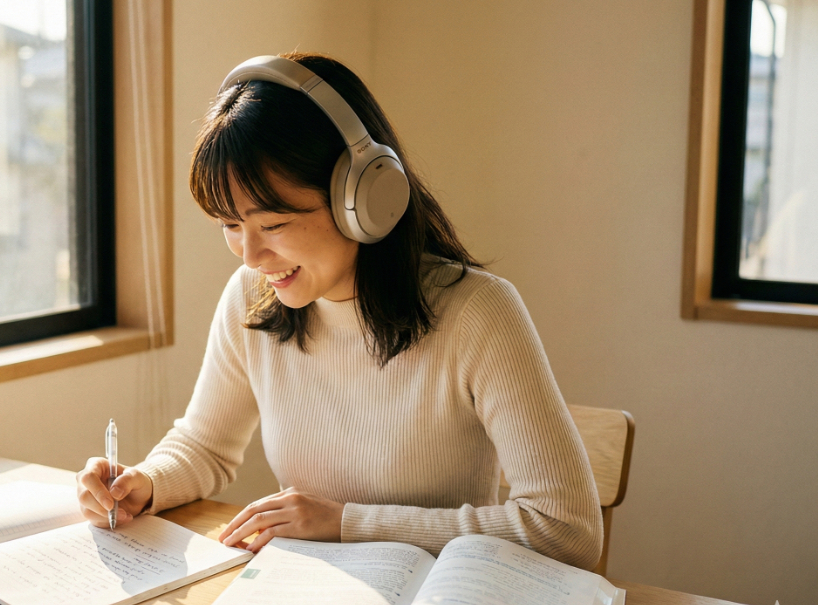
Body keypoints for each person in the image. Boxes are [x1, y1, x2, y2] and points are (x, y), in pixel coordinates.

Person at [76, 52, 603, 570]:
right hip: (312, 599)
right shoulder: (251, 296)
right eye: (229, 225)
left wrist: (346, 523)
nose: (251, 256)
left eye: (273, 224)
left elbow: (567, 529)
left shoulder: (477, 312)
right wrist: (141, 484)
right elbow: (204, 446)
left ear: (364, 196)